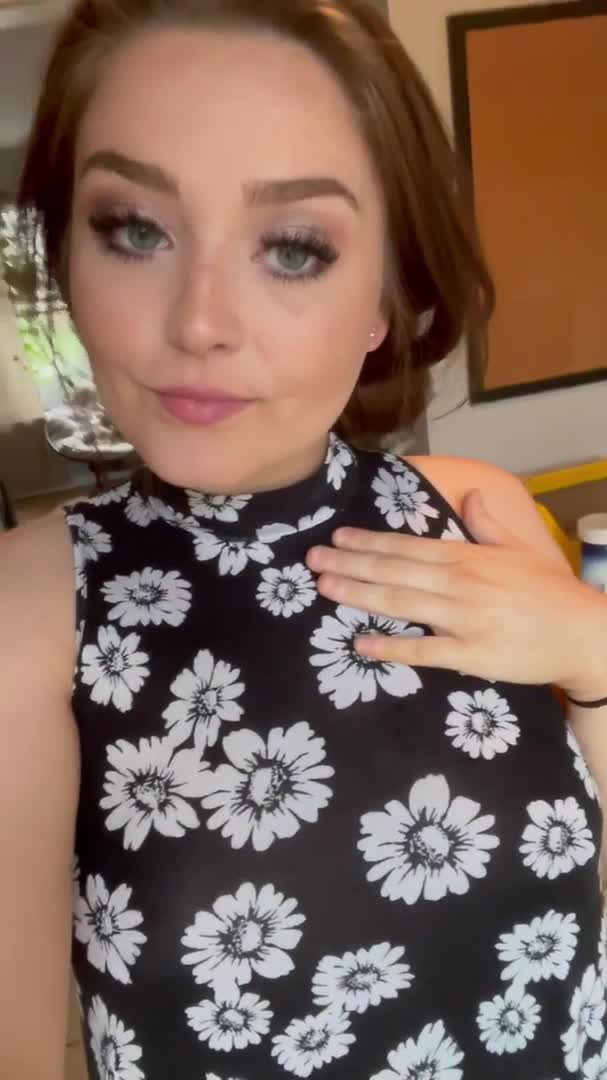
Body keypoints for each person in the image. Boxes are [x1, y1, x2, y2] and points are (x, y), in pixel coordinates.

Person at [2, 1, 607, 1077]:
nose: (199, 322)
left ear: (384, 298)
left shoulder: (477, 510)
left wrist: (593, 654)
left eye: (292, 248)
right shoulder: (35, 609)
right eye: (134, 230)